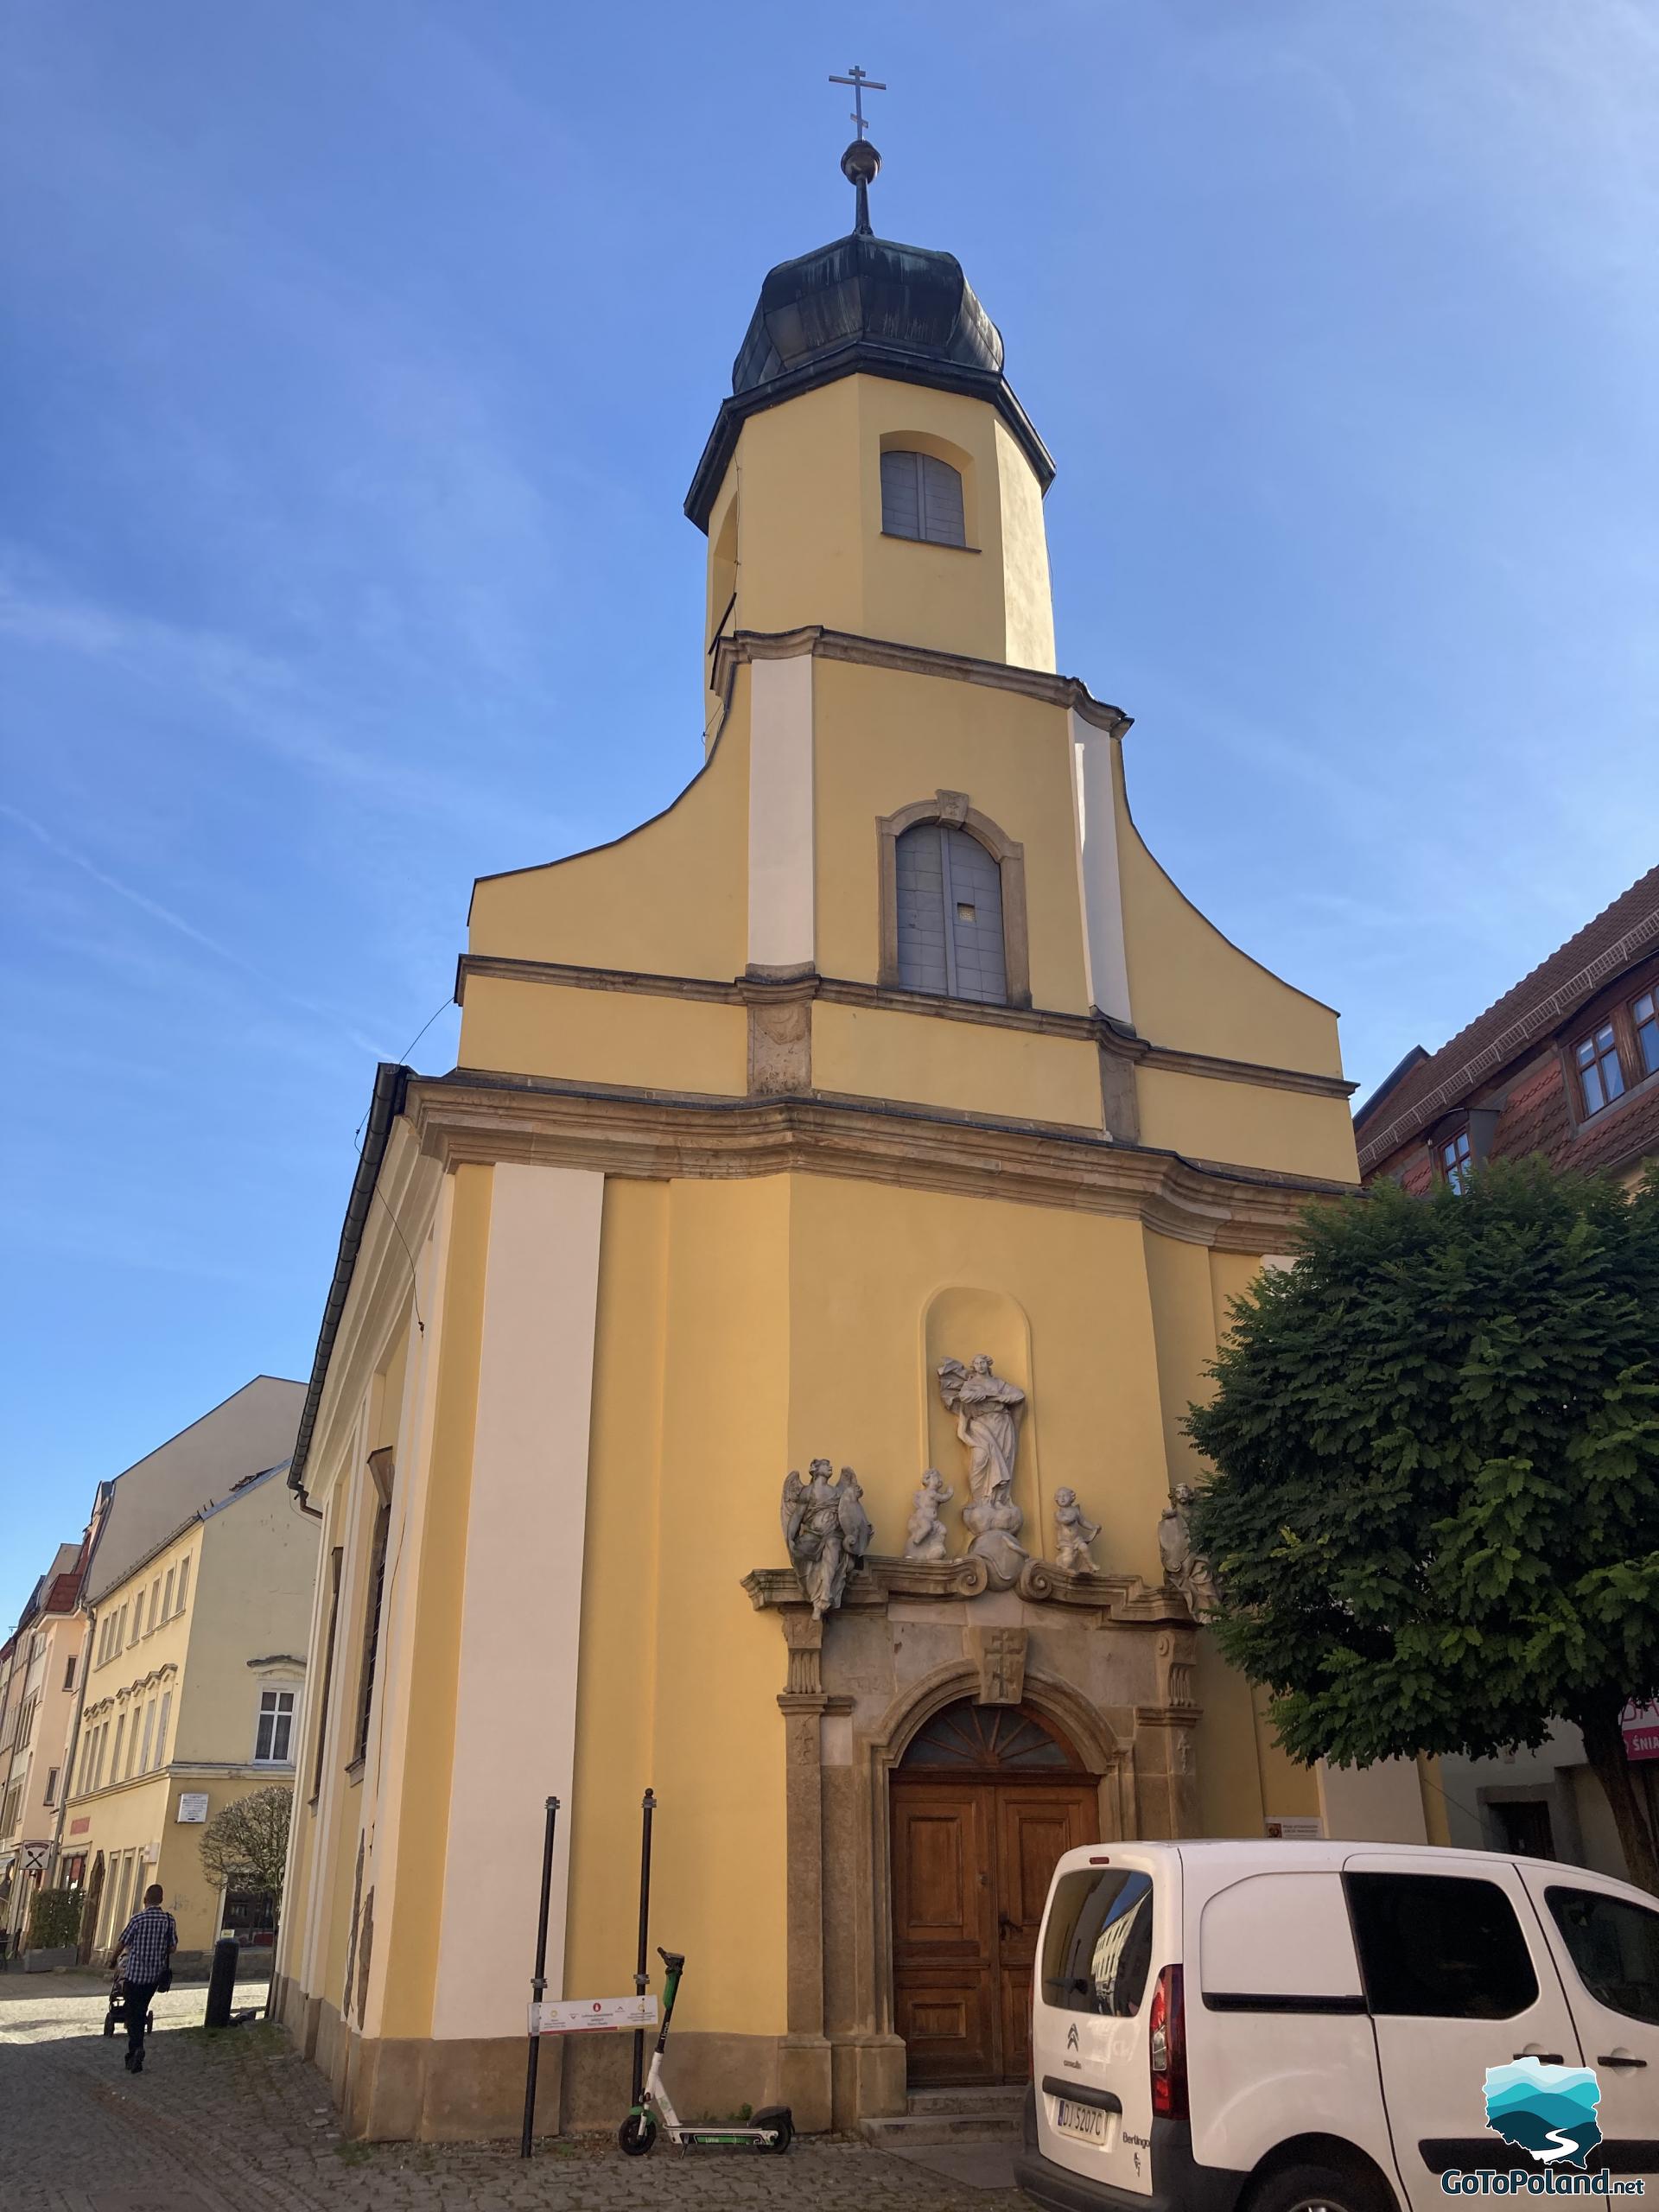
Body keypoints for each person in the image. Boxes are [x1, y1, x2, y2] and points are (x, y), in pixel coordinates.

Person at [111, 1884, 176, 2073]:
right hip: (154, 1976)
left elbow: (123, 1941)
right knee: (141, 2009)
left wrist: (113, 1959)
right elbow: (173, 1947)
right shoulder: (168, 1920)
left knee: (134, 2013)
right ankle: (136, 2050)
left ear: (145, 1900)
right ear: (161, 1900)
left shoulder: (138, 1919)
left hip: (134, 1974)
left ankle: (135, 2050)